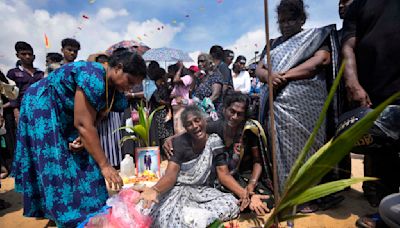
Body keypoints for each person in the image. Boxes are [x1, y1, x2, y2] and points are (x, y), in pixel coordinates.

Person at [11, 50, 147, 227]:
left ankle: (90, 208)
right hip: (43, 105)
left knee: (83, 153)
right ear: (118, 68)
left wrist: (81, 138)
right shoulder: (93, 75)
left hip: (67, 113)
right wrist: (105, 165)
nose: (129, 88)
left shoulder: (114, 89)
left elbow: (95, 116)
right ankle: (62, 212)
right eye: (129, 82)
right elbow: (83, 124)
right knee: (56, 160)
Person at [256, 0, 339, 194]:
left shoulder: (315, 37)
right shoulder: (272, 43)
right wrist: (268, 76)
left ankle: (307, 194)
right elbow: (259, 68)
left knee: (304, 149)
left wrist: (283, 76)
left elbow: (321, 60)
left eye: (290, 20)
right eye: (281, 21)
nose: (285, 25)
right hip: (276, 107)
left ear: (301, 19)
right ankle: (284, 192)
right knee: (280, 150)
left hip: (306, 109)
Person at [164, 92, 273, 215]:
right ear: (225, 109)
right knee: (229, 198)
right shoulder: (216, 126)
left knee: (265, 200)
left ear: (244, 116)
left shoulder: (249, 131)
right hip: (223, 177)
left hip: (246, 175)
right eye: (232, 111)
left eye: (240, 114)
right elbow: (194, 129)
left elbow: (258, 162)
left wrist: (251, 185)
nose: (234, 117)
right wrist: (172, 138)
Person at [341, 0, 400, 225]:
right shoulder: (358, 5)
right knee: (383, 157)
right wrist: (353, 82)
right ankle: (388, 214)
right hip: (377, 91)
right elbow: (348, 47)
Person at [137, 105, 239, 227]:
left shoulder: (214, 141)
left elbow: (224, 174)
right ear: (185, 128)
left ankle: (194, 216)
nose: (195, 126)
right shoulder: (180, 143)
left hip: (202, 192)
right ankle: (191, 217)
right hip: (179, 191)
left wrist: (244, 194)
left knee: (231, 204)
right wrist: (154, 190)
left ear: (204, 120)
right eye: (189, 124)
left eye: (197, 120)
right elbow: (171, 175)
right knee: (163, 215)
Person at [7, 41, 44, 124]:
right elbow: (11, 94)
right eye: (23, 54)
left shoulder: (41, 74)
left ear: (34, 56)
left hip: (40, 109)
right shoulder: (13, 73)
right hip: (21, 110)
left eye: (30, 54)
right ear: (18, 55)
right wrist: (16, 112)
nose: (27, 57)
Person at [169, 61, 194, 134]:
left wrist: (180, 68)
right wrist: (176, 96)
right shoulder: (177, 85)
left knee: (182, 129)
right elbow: (171, 95)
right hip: (176, 107)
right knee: (177, 128)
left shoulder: (187, 78)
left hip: (183, 104)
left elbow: (175, 80)